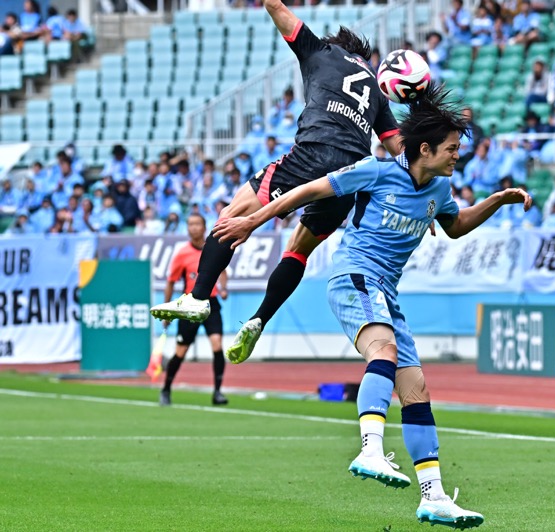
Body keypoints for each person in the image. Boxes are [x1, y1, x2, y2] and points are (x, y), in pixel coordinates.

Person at [213, 86, 527, 528]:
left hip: (386, 291)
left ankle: (433, 496)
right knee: (384, 352)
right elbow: (305, 192)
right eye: (453, 148)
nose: (459, 156)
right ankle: (370, 448)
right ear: (425, 148)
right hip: (354, 277)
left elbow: (454, 226)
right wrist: (253, 219)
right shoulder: (375, 171)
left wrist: (496, 201)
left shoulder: (439, 187)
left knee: (416, 388)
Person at [150, 2, 403, 351]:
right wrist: (417, 197)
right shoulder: (376, 87)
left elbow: (274, 5)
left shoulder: (321, 51)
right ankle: (260, 319)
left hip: (314, 152)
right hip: (350, 178)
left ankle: (197, 296)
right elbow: (399, 150)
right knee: (298, 251)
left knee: (231, 214)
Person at [159, 214, 229, 407]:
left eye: (197, 224)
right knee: (181, 351)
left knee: (217, 344)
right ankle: (166, 389)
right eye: (190, 224)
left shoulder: (213, 249)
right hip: (190, 306)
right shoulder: (182, 254)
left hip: (211, 304)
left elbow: (222, 271)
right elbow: (171, 282)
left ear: (204, 227)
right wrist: (168, 310)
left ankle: (217, 392)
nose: (194, 228)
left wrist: (223, 288)